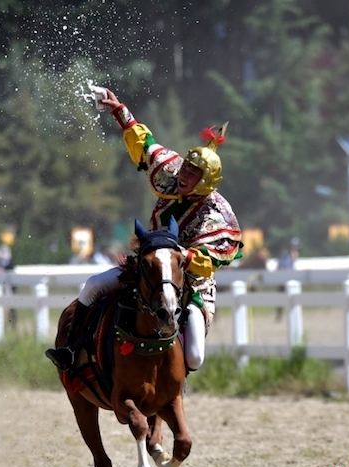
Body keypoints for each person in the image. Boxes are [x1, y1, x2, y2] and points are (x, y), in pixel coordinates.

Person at [46, 88, 243, 372]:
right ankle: (72, 351)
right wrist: (118, 110)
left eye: (192, 174)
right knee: (91, 287)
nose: (184, 175)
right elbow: (145, 145)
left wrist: (179, 257)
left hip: (191, 284)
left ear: (206, 181)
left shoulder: (217, 214)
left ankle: (175, 383)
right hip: (148, 268)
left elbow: (210, 261)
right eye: (186, 167)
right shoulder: (172, 170)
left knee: (196, 356)